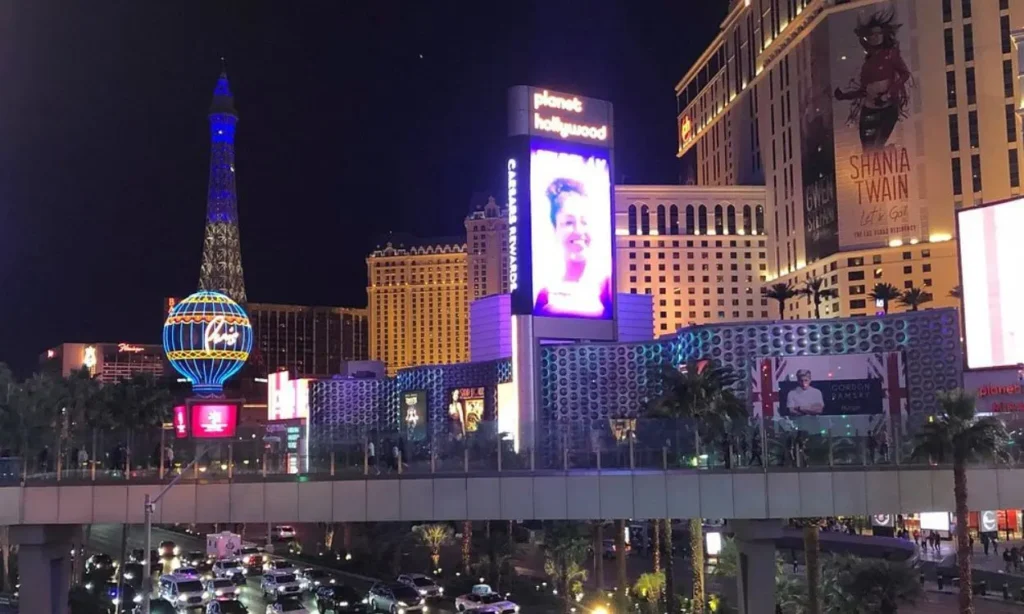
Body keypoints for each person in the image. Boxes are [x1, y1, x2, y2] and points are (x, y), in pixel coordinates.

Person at [533, 177, 613, 319]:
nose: (578, 231)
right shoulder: (546, 295)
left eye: (584, 222)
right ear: (555, 228)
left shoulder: (608, 287)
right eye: (569, 222)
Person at [833, 8, 911, 152]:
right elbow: (863, 91)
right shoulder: (868, 62)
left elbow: (905, 74)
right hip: (869, 109)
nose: (874, 37)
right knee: (867, 151)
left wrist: (888, 94)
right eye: (871, 35)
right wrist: (844, 96)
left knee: (877, 146)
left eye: (877, 34)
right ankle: (887, 151)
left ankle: (889, 151)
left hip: (887, 108)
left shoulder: (890, 53)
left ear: (883, 35)